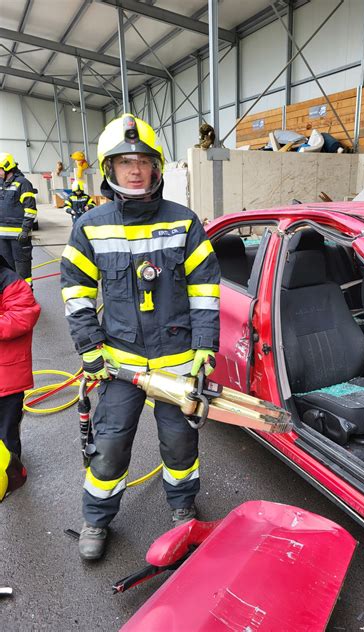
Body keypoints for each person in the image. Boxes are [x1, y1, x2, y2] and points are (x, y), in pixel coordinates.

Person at [61, 114, 220, 561]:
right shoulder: (90, 226)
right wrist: (89, 349)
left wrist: (206, 347)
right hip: (118, 364)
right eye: (124, 161)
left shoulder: (185, 224)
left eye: (143, 161)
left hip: (176, 360)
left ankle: (183, 508)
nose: (135, 169)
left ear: (157, 167)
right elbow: (75, 292)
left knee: (180, 444)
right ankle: (96, 518)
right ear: (109, 170)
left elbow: (205, 291)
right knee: (109, 446)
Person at [0, 254, 41, 459]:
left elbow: (22, 316)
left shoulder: (10, 282)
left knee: (7, 432)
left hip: (7, 377)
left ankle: (12, 474)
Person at [0, 153, 37, 285]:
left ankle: (26, 300)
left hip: (19, 237)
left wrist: (25, 230)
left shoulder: (23, 184)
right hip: (2, 238)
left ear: (7, 167)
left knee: (23, 272)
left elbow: (31, 210)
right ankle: (13, 299)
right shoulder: (1, 184)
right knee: (8, 271)